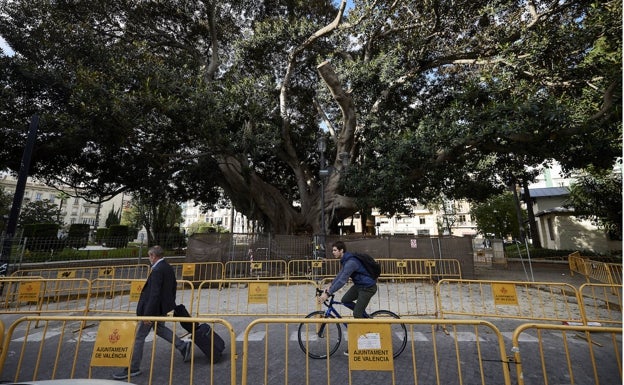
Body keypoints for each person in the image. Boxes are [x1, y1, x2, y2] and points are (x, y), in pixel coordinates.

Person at [113, 245, 191, 380]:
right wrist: (168, 305)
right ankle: (182, 345)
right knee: (160, 329)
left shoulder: (157, 270)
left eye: (149, 256)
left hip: (152, 309)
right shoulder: (167, 267)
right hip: (161, 307)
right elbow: (172, 288)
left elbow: (154, 294)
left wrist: (146, 315)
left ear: (153, 256)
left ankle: (133, 367)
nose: (149, 259)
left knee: (139, 337)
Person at [318, 241, 378, 319]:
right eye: (333, 250)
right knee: (345, 300)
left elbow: (342, 280)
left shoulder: (351, 262)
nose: (333, 252)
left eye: (335, 250)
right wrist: (331, 285)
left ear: (341, 250)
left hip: (368, 288)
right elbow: (340, 275)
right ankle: (364, 315)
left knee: (356, 314)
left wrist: (328, 293)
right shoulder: (346, 260)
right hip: (359, 286)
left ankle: (366, 327)